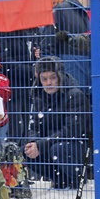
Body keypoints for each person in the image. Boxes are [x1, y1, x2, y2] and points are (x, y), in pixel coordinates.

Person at [22, 56, 91, 189]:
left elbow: (72, 131)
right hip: (52, 143)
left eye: (53, 78)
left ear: (60, 77)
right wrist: (34, 142)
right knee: (26, 150)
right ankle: (59, 179)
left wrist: (41, 145)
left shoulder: (75, 95)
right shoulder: (39, 97)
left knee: (58, 149)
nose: (49, 83)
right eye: (44, 79)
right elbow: (33, 127)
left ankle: (76, 178)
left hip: (76, 145)